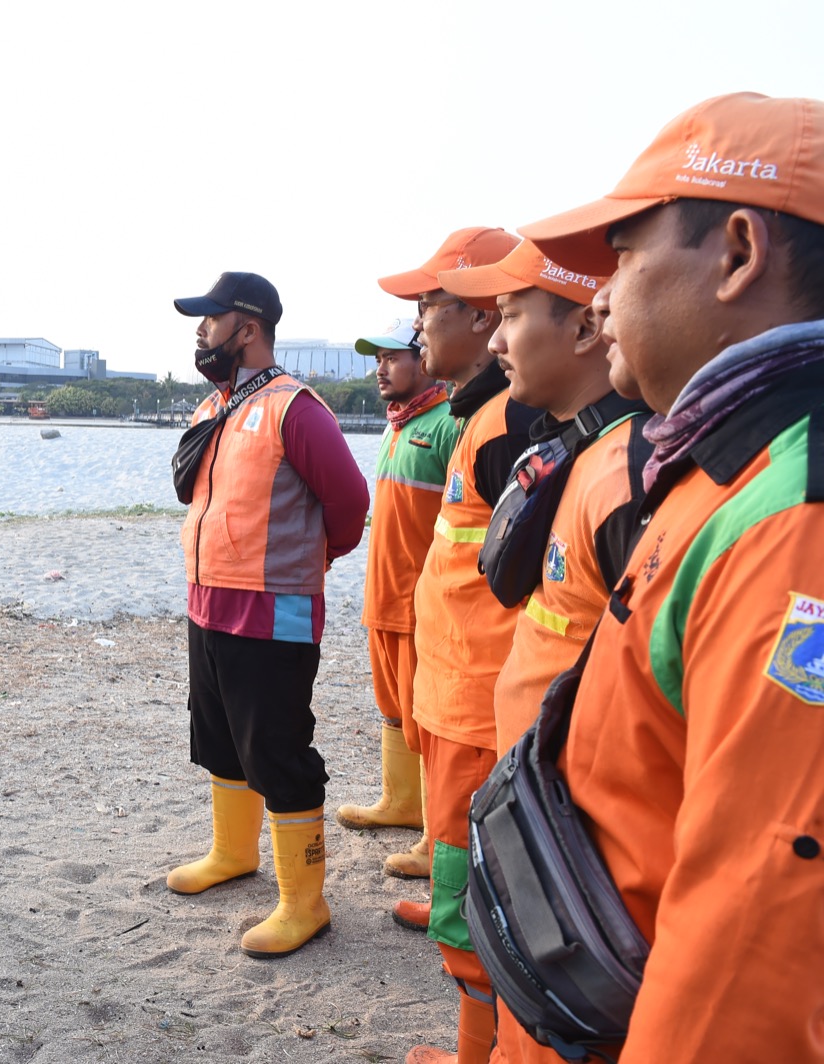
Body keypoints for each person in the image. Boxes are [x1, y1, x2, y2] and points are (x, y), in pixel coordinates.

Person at [483, 91, 824, 1063]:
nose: (598, 297)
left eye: (625, 253)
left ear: (738, 251)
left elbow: (759, 925)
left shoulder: (797, 513)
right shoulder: (727, 462)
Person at [164, 272, 369, 958]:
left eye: (210, 319)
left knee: (276, 750)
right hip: (209, 605)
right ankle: (232, 852)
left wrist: (308, 563)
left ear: (246, 329)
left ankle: (304, 903)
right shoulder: (215, 406)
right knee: (220, 737)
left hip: (272, 613)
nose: (200, 332)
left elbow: (348, 504)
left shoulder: (296, 409)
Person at [376, 227, 535, 1064]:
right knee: (455, 873)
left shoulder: (510, 421)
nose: (417, 331)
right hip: (453, 691)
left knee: (482, 895)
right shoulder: (473, 415)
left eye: (430, 308)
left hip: (482, 702)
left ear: (483, 318)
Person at [436, 240, 650, 753]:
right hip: (533, 780)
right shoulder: (572, 447)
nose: (496, 344)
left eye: (509, 317)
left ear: (585, 328)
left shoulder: (628, 475)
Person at [335, 320, 457, 894]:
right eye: (376, 358)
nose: (380, 368)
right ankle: (400, 802)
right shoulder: (397, 425)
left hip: (420, 606)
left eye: (392, 357)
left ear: (425, 358)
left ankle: (438, 834)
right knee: (391, 707)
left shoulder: (449, 425)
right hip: (381, 600)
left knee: (428, 719)